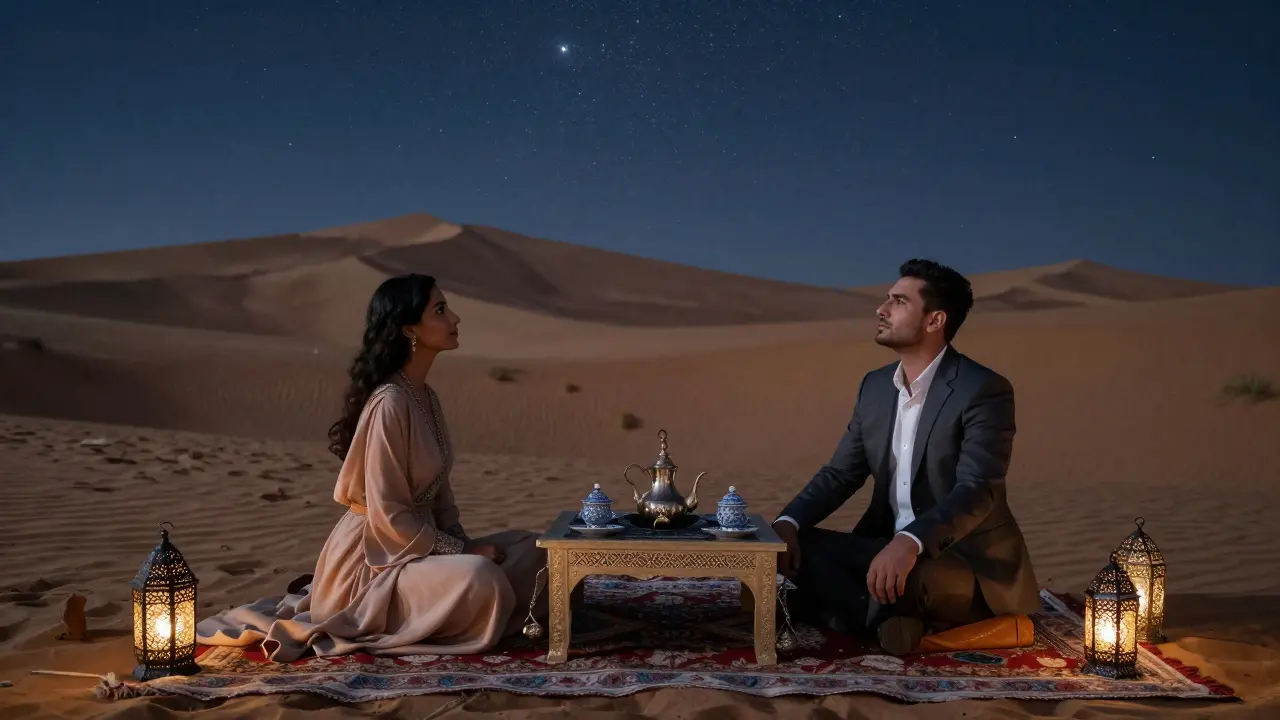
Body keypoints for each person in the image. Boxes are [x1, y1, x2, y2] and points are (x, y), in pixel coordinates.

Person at [196, 273, 547, 661]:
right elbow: (388, 517)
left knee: (538, 551)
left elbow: (441, 495)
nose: (455, 319)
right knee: (482, 578)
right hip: (373, 563)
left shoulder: (426, 398)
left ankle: (468, 604)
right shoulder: (390, 404)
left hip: (421, 550)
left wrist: (466, 545)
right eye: (441, 310)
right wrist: (464, 552)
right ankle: (456, 608)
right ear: (410, 329)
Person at [772, 259, 1040, 656]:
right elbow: (841, 472)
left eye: (898, 302)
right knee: (799, 549)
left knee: (908, 578)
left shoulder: (983, 389)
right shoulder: (876, 386)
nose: (881, 310)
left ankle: (847, 614)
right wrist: (789, 521)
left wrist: (911, 540)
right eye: (886, 300)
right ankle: (884, 620)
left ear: (934, 321)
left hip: (960, 558)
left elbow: (977, 490)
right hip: (883, 548)